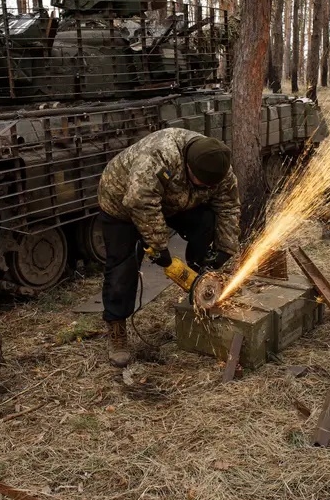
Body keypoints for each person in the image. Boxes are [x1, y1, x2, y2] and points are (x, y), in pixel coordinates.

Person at [96, 128, 241, 367]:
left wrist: (225, 248)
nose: (205, 187)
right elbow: (139, 201)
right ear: (187, 166)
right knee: (122, 266)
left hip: (169, 201)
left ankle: (200, 279)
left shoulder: (218, 167)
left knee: (205, 221)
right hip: (122, 203)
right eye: (200, 183)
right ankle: (116, 328)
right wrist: (159, 246)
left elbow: (228, 206)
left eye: (208, 185)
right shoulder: (158, 156)